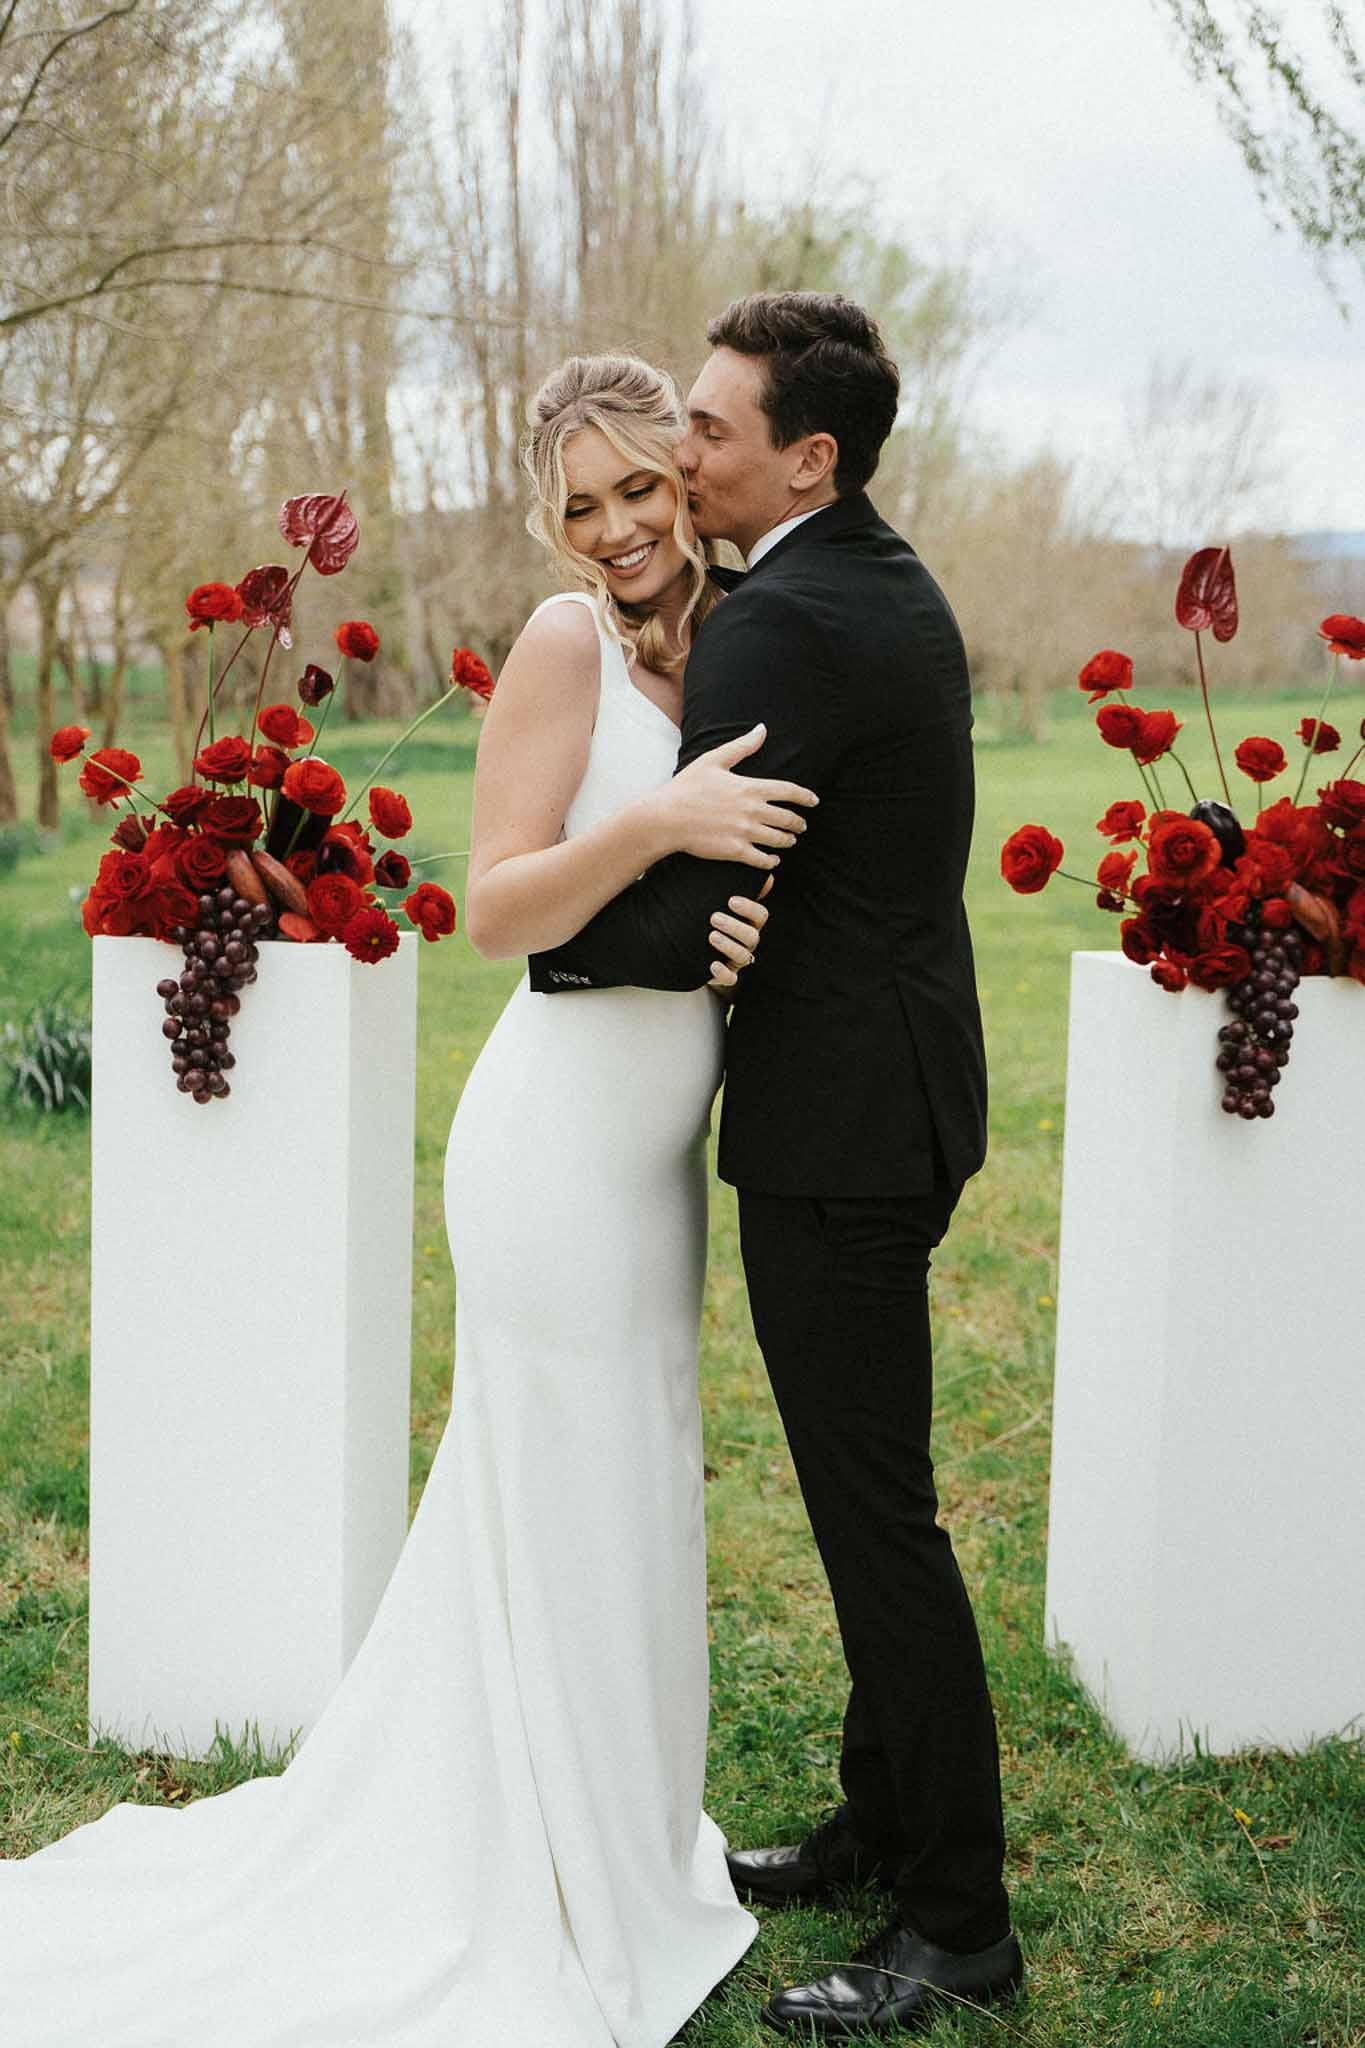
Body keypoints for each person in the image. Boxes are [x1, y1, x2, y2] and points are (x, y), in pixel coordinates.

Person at [0, 353, 818, 2048]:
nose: (612, 532)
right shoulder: (559, 638)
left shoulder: (729, 632)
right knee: (565, 1484)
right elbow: (503, 906)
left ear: (688, 481)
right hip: (550, 1145)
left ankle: (616, 1843)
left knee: (631, 1484)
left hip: (652, 1145)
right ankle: (537, 1871)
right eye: (580, 505)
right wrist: (664, 822)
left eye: (639, 493)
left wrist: (731, 952)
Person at [528, 290, 1024, 2037]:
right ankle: (878, 1823)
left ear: (807, 455)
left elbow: (673, 914)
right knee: (866, 1490)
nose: (683, 453)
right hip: (899, 1094)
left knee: (874, 1521)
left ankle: (956, 1923)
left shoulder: (777, 625)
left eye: (713, 432)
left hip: (837, 1129)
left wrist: (561, 948)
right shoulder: (867, 573)